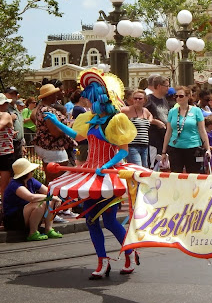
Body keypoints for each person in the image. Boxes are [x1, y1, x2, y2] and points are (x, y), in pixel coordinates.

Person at [43, 68, 143, 278]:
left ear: (99, 99)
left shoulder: (116, 121)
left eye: (89, 99)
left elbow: (123, 151)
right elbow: (78, 137)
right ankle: (102, 261)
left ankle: (130, 252)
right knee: (90, 221)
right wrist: (56, 121)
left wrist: (107, 166)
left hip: (109, 176)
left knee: (109, 221)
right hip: (91, 173)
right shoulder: (92, 119)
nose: (87, 102)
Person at [2, 157, 63, 241]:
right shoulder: (14, 184)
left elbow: (47, 191)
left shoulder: (31, 180)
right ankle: (33, 232)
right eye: (31, 171)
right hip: (13, 219)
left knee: (50, 201)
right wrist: (50, 197)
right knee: (39, 203)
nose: (33, 172)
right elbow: (31, 197)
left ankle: (48, 229)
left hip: (26, 214)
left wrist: (53, 198)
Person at [162, 86, 211, 173]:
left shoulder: (196, 111)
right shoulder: (172, 111)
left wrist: (208, 149)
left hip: (193, 147)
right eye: (176, 96)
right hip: (175, 148)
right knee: (176, 175)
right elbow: (168, 132)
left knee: (193, 176)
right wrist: (164, 152)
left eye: (181, 96)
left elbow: (202, 131)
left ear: (188, 97)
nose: (178, 98)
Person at [32, 84, 72, 184]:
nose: (56, 96)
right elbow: (55, 132)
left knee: (51, 178)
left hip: (45, 145)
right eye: (54, 94)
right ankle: (54, 198)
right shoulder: (47, 110)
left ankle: (51, 198)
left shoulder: (40, 108)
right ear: (49, 96)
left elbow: (33, 116)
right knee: (58, 178)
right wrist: (68, 129)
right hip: (53, 147)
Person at [121, 90, 153, 167]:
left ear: (145, 100)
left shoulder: (145, 111)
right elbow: (115, 117)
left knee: (144, 169)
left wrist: (150, 121)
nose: (137, 100)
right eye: (135, 98)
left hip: (144, 146)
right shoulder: (127, 110)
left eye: (140, 98)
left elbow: (150, 115)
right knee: (137, 169)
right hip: (132, 146)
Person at [145, 75, 170, 170]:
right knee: (153, 165)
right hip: (153, 138)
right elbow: (143, 115)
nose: (168, 88)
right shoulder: (148, 99)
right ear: (159, 86)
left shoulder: (164, 100)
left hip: (164, 137)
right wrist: (155, 122)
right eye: (166, 86)